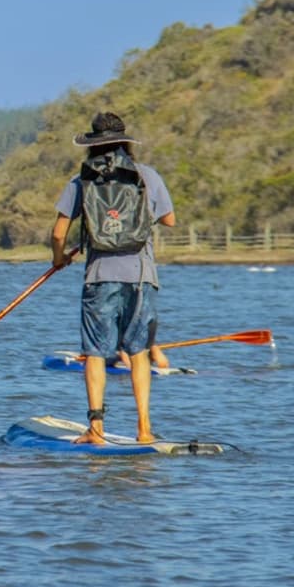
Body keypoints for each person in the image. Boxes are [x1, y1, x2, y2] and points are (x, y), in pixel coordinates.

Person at [49, 112, 176, 444]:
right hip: (142, 277)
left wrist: (59, 258)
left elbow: (58, 232)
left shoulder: (81, 182)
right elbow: (170, 220)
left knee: (94, 352)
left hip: (100, 278)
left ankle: (96, 429)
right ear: (125, 143)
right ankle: (144, 429)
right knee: (138, 352)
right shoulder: (147, 176)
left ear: (92, 145)